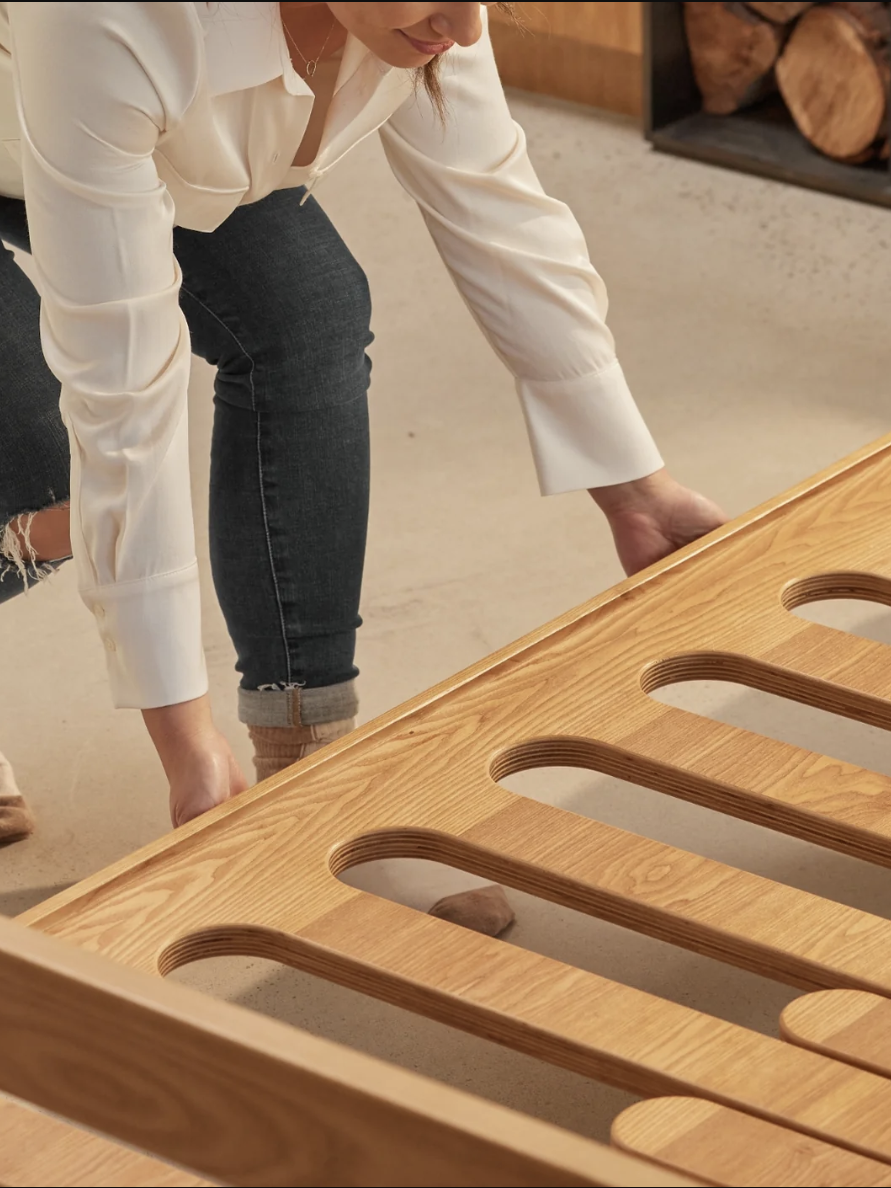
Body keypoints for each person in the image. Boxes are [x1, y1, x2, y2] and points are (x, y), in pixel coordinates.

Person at [0, 2, 725, 931]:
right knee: (50, 485)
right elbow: (122, 393)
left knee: (309, 322)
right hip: (43, 96)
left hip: (115, 129)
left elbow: (498, 210)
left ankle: (309, 765)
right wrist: (184, 745)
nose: (465, 28)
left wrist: (636, 491)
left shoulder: (429, 13)